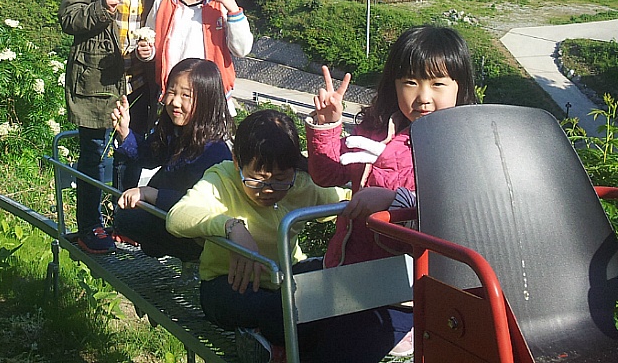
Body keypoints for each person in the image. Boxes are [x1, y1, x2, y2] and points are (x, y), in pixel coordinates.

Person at [305, 24, 477, 362]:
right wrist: (327, 125)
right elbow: (328, 174)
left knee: (336, 349)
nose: (423, 96)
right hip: (349, 271)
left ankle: (406, 334)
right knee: (288, 317)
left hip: (403, 293)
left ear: (460, 87)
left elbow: (454, 218)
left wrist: (391, 202)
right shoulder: (376, 130)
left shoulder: (463, 146)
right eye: (410, 82)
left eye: (438, 84)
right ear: (394, 84)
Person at [166, 109, 342, 362]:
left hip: (286, 279)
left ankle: (269, 343)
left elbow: (346, 202)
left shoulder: (301, 183)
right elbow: (177, 217)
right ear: (237, 162)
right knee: (283, 313)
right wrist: (232, 227)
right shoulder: (222, 179)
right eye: (257, 179)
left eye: (280, 179)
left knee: (336, 280)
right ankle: (275, 342)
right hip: (228, 286)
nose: (269, 189)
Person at [59, 0, 162, 255]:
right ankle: (90, 225)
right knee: (93, 154)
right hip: (98, 79)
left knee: (130, 152)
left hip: (139, 80)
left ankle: (123, 224)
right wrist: (102, 7)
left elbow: (171, 3)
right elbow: (69, 18)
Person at [110, 57, 233, 261]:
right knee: (126, 216)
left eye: (185, 95)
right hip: (167, 213)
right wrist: (125, 132)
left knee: (128, 219)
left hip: (196, 230)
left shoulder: (214, 151)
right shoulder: (175, 130)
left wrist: (151, 194)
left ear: (207, 101)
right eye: (171, 92)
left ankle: (189, 257)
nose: (174, 102)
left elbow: (201, 206)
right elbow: (148, 156)